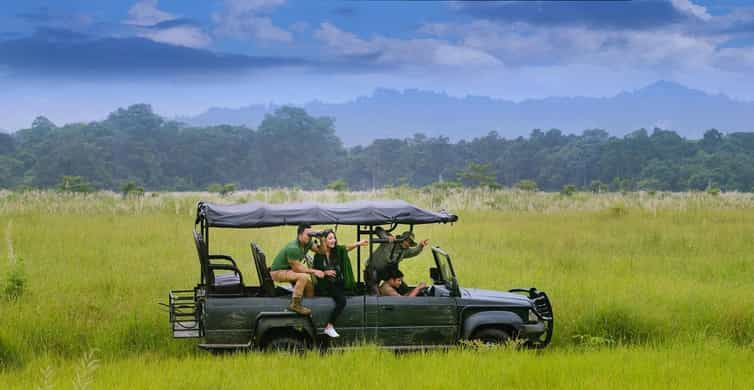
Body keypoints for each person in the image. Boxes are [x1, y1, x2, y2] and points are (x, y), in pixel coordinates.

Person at [312, 229, 368, 338]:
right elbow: (316, 272)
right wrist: (325, 272)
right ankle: (329, 326)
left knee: (357, 287)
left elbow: (346, 248)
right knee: (342, 301)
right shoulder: (318, 255)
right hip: (325, 285)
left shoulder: (337, 250)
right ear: (324, 241)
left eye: (334, 238)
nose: (333, 240)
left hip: (337, 282)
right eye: (330, 238)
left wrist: (359, 243)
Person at [269, 224, 325, 316]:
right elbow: (297, 268)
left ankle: (309, 306)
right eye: (308, 234)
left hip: (288, 270)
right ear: (299, 235)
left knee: (309, 285)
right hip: (278, 272)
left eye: (311, 234)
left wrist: (321, 239)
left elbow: (321, 252)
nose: (310, 237)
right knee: (303, 277)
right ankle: (295, 304)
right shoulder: (293, 248)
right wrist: (315, 271)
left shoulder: (307, 243)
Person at [364, 227, 429, 294]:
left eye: (410, 243)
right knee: (374, 293)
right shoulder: (391, 240)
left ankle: (407, 299)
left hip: (387, 273)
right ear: (401, 239)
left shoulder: (404, 251)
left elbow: (414, 251)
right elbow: (378, 229)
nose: (407, 244)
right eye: (406, 241)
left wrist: (420, 246)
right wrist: (385, 237)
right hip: (373, 271)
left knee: (403, 288)